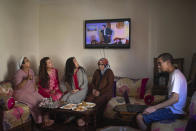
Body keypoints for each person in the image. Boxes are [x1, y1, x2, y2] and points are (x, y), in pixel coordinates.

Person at [136, 53, 187, 131]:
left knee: (140, 117)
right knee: (145, 110)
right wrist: (156, 105)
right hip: (171, 109)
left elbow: (175, 99)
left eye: (160, 63)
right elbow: (170, 97)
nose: (158, 66)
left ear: (168, 62)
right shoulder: (173, 74)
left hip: (174, 112)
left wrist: (154, 107)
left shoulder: (176, 76)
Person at [13, 57, 54, 127]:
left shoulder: (31, 71)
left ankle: (46, 119)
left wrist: (36, 90)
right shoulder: (18, 73)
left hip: (31, 92)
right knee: (36, 103)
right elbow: (17, 87)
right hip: (21, 94)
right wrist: (25, 79)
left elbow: (33, 83)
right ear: (22, 64)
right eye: (26, 61)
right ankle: (39, 122)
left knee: (45, 101)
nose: (29, 61)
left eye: (28, 60)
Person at [60, 57, 88, 126]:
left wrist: (79, 89)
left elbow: (86, 82)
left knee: (70, 98)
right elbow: (61, 82)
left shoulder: (81, 70)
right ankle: (67, 116)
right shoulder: (69, 72)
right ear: (71, 64)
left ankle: (73, 116)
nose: (77, 62)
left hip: (82, 90)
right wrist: (65, 91)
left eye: (76, 60)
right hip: (73, 91)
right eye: (75, 61)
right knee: (63, 99)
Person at [86, 58, 114, 122]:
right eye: (99, 64)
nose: (99, 66)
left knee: (97, 101)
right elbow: (92, 82)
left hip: (106, 93)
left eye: (102, 64)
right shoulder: (96, 71)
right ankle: (85, 116)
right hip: (95, 91)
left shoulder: (109, 72)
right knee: (88, 99)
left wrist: (100, 92)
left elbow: (109, 86)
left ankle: (91, 119)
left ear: (106, 65)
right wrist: (93, 89)